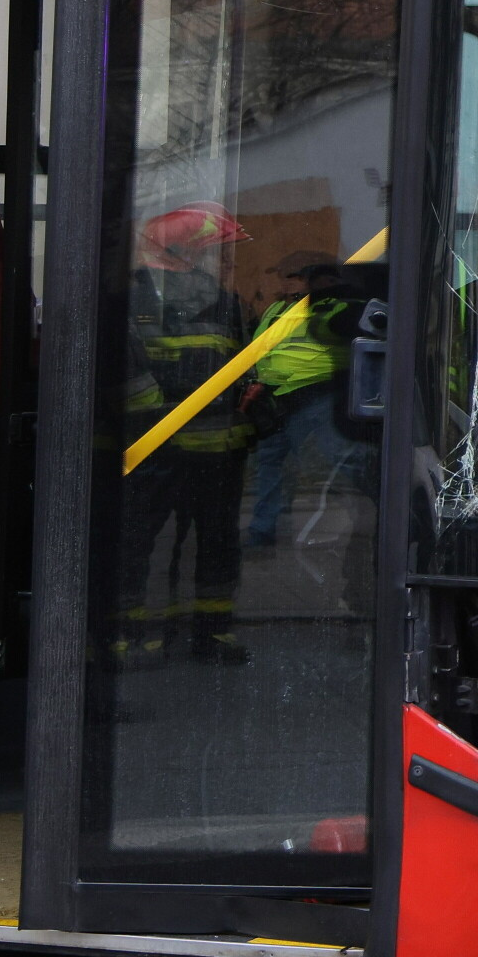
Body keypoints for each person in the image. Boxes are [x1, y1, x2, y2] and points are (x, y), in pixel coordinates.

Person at [119, 201, 257, 668]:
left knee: (215, 546)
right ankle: (129, 633)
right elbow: (127, 375)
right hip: (156, 449)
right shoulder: (135, 298)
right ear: (183, 251)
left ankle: (209, 632)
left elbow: (242, 366)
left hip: (210, 452)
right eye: (217, 251)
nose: (226, 261)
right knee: (142, 544)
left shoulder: (223, 300)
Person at [243, 250, 376, 550]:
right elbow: (260, 347)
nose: (286, 281)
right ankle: (263, 531)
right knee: (270, 467)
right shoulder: (277, 308)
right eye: (284, 275)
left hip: (317, 394)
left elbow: (343, 329)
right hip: (274, 397)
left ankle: (379, 510)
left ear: (318, 279)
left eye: (294, 276)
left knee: (339, 462)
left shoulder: (336, 304)